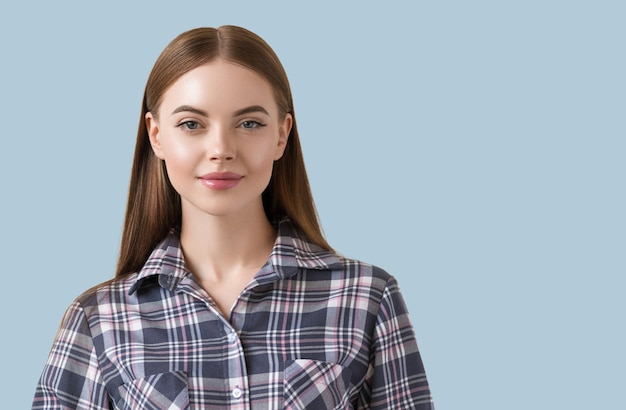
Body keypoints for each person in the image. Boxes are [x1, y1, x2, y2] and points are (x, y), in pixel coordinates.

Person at [32, 25, 434, 409]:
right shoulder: (98, 319)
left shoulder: (366, 298)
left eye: (249, 123)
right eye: (192, 124)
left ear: (282, 134)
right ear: (157, 135)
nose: (221, 149)